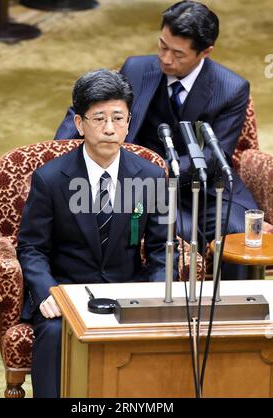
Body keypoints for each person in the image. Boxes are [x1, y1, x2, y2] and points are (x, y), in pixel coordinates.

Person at [54, 1, 258, 279]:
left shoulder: (231, 88)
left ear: (205, 52)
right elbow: (85, 107)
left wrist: (159, 169)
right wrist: (59, 153)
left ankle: (234, 317)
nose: (165, 58)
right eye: (162, 45)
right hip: (143, 191)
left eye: (177, 53)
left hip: (206, 190)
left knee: (235, 232)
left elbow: (213, 155)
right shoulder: (136, 68)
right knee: (164, 227)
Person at [17, 69, 176, 398]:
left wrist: (156, 293)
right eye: (99, 118)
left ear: (129, 122)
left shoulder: (151, 176)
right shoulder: (51, 179)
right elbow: (31, 247)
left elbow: (163, 247)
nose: (109, 128)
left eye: (118, 118)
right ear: (79, 124)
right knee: (53, 332)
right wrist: (48, 292)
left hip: (126, 290)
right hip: (67, 294)